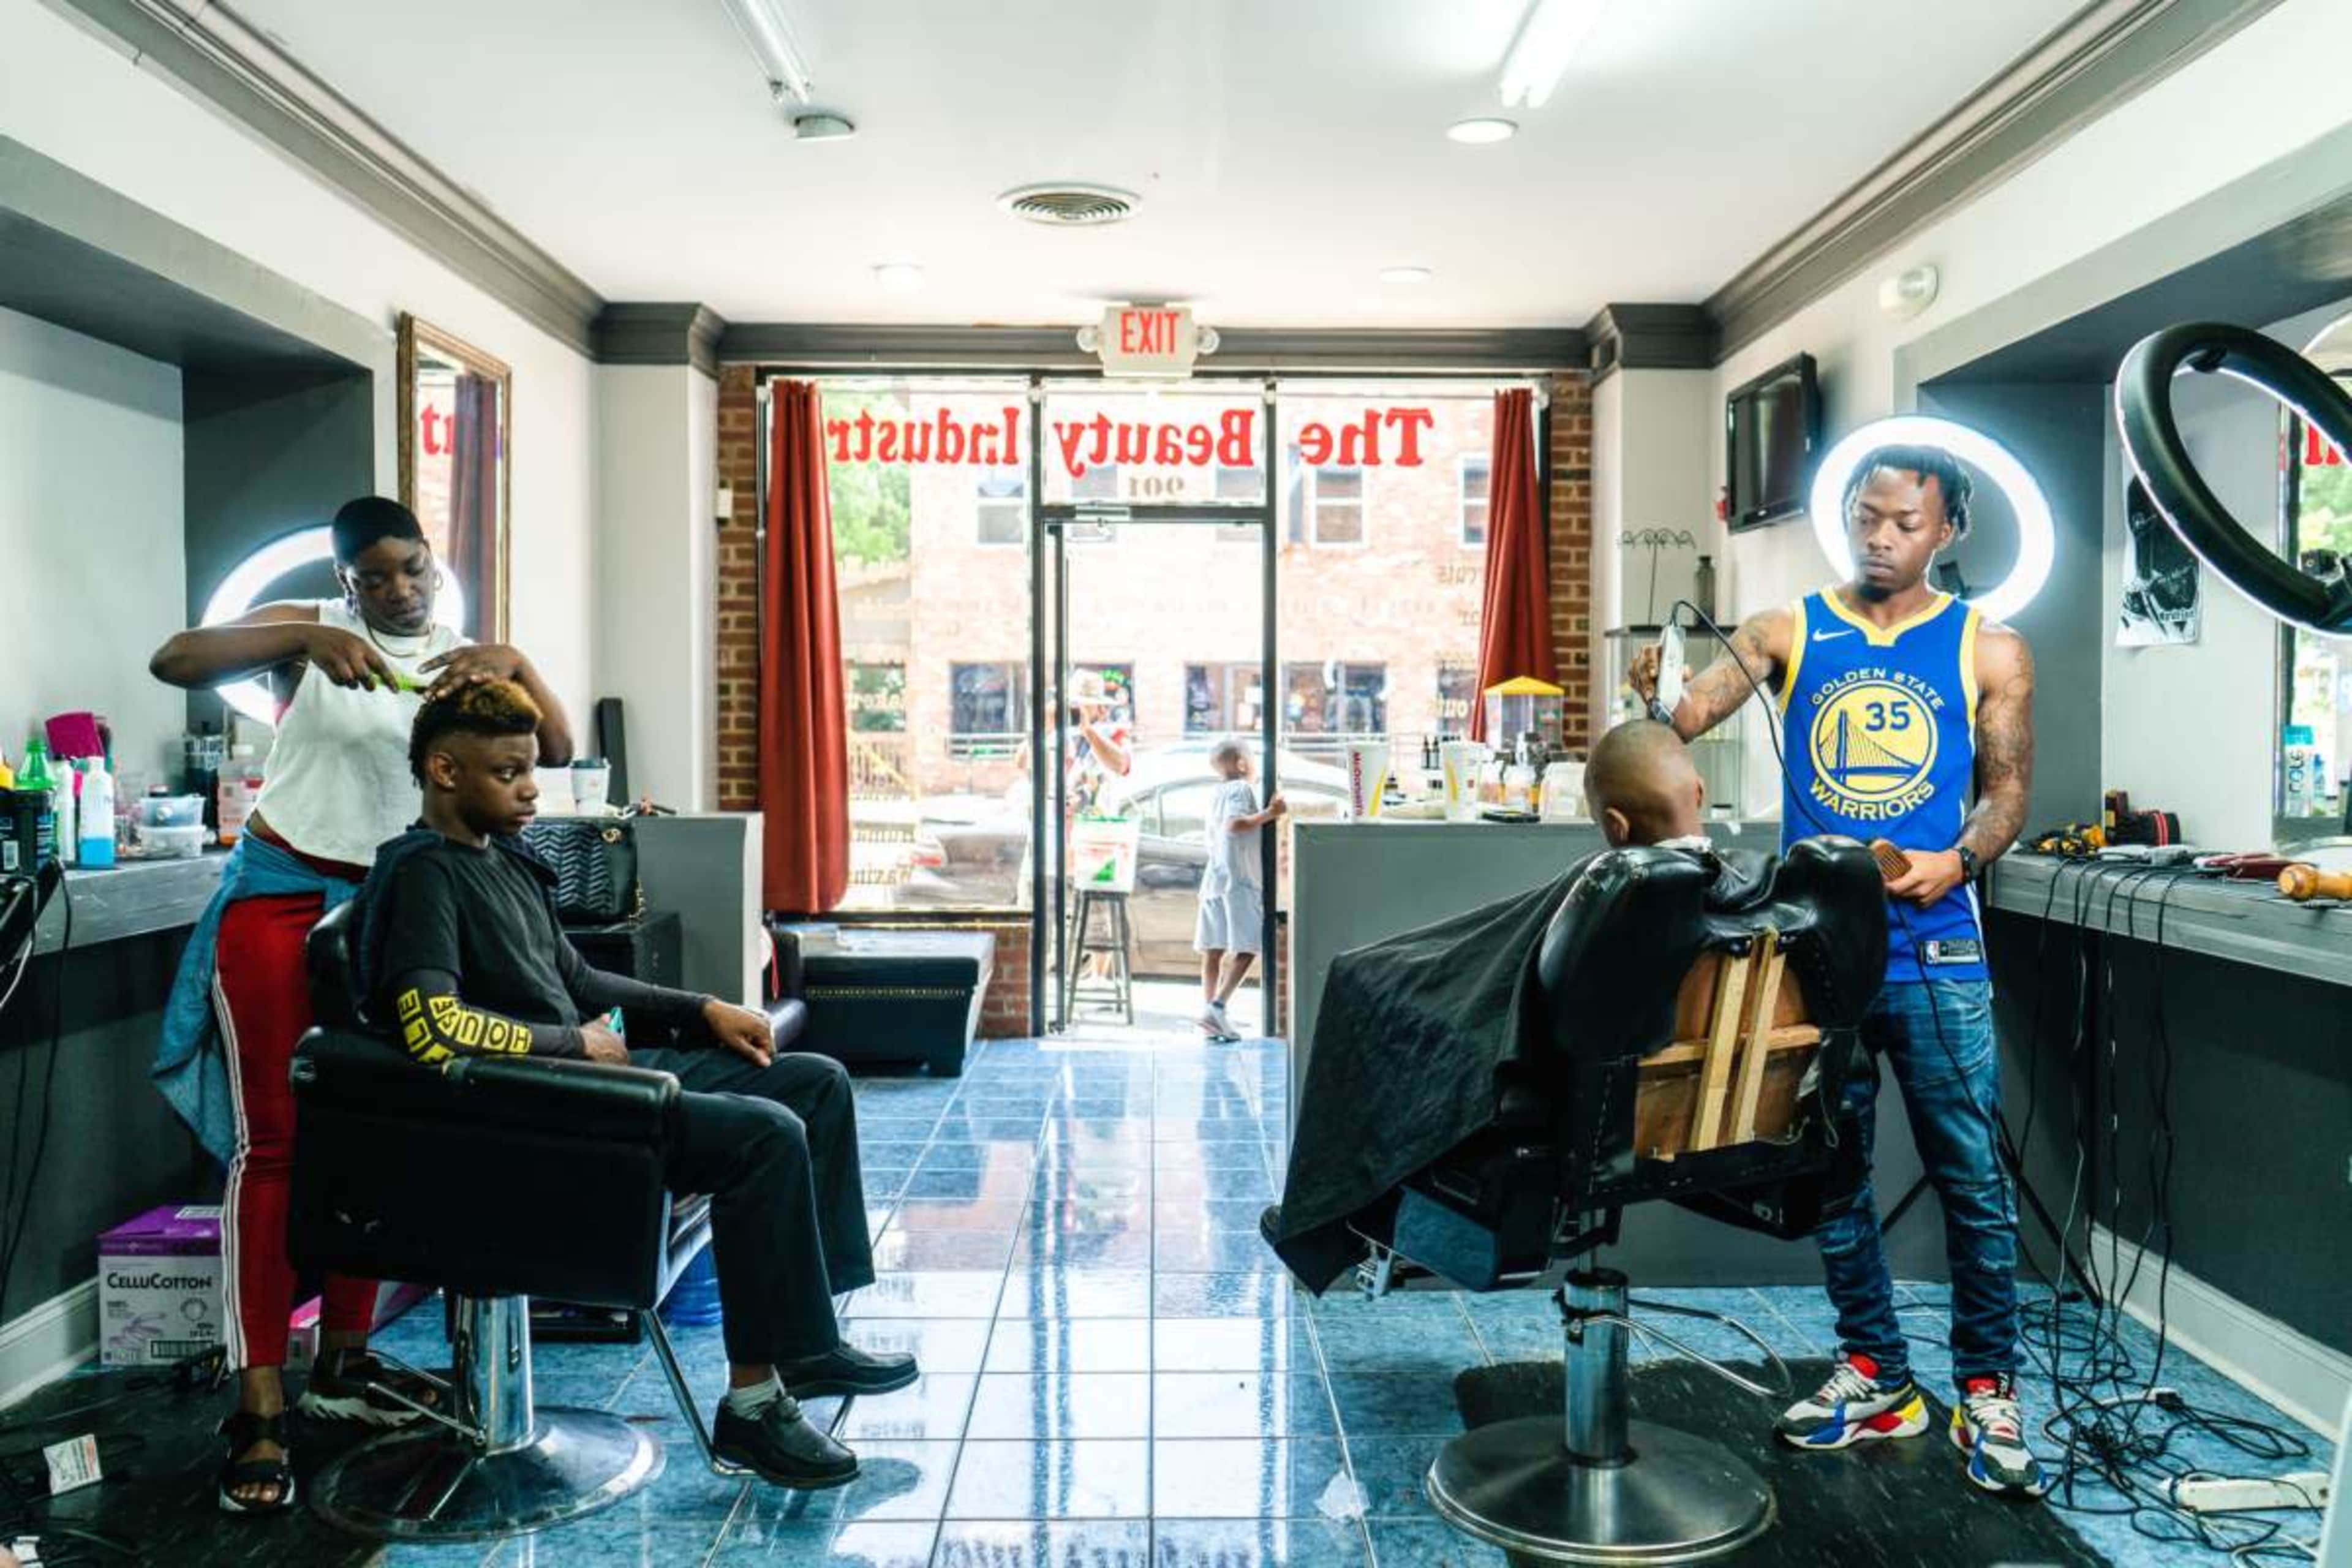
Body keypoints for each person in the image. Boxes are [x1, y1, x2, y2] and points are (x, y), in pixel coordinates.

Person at [355, 680, 916, 1490]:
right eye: (509, 773)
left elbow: (579, 976)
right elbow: (431, 1025)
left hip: (585, 1086)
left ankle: (808, 1343)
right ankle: (755, 1407)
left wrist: (705, 1009)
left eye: (531, 772)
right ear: (444, 771)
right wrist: (571, 1045)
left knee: (813, 1084)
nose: (530, 791)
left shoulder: (503, 860)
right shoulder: (423, 877)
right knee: (764, 1135)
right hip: (529, 1116)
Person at [1631, 442, 2043, 1496]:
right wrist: (1655, 697)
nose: (1879, 536)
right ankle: (1876, 1374)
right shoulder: (1787, 629)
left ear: (1946, 533)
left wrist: (1962, 857)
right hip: (1823, 954)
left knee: (1972, 1180)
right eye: (1867, 516)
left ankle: (1988, 1388)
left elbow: (2004, 797)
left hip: (1937, 947)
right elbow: (1682, 725)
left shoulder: (1988, 650)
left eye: (1905, 521)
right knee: (1832, 1173)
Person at [148, 496, 574, 1515]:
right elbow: (173, 659)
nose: (397, 589)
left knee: (375, 1137)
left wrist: (514, 660)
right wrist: (304, 633)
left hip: (397, 919)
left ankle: (344, 1361)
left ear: (438, 565)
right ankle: (258, 1398)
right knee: (278, 1143)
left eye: (413, 569)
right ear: (345, 579)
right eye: (374, 575)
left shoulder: (467, 658)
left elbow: (551, 748)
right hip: (285, 901)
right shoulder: (305, 639)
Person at [1268, 721, 1749, 1287]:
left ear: (1615, 827)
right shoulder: (1749, 886)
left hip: (1580, 1110)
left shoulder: (1624, 892)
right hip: (1683, 1107)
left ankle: (1336, 1216)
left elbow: (1504, 985)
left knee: (1371, 996)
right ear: (1698, 792)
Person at [1194, 738, 1285, 1041]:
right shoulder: (1241, 789)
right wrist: (1270, 814)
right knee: (1248, 947)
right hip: (1239, 880)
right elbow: (1235, 826)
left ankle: (1210, 1013)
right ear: (1244, 764)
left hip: (1216, 878)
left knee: (1214, 949)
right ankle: (1217, 1008)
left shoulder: (1216, 793)